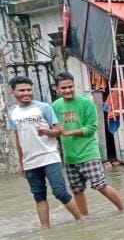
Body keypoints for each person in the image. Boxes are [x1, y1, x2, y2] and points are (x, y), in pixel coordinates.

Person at [6, 76, 82, 228]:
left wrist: (46, 131)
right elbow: (18, 139)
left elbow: (59, 130)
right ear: (13, 92)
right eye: (21, 90)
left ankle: (81, 221)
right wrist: (21, 163)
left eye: (28, 90)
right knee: (39, 197)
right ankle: (46, 230)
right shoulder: (12, 112)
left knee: (60, 193)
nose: (26, 93)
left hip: (49, 157)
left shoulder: (44, 107)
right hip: (30, 162)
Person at [52, 72, 124, 216]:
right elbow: (53, 127)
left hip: (88, 153)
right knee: (77, 190)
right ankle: (84, 219)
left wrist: (68, 132)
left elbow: (92, 127)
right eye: (63, 88)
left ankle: (123, 210)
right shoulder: (55, 105)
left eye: (70, 87)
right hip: (70, 156)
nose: (67, 90)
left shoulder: (86, 103)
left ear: (75, 85)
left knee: (100, 185)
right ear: (57, 89)